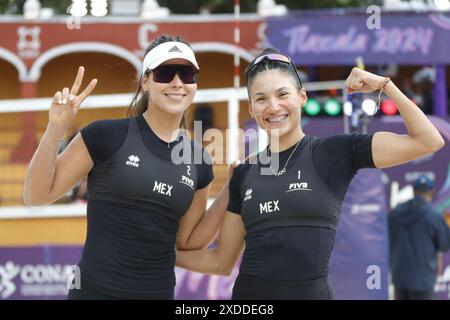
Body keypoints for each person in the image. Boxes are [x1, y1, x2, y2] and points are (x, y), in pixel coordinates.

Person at [176, 48, 445, 299]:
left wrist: (385, 85)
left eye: (283, 94)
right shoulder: (245, 172)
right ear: (252, 109)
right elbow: (221, 263)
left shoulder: (335, 152)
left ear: (302, 97)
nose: (273, 106)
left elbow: (428, 140)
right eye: (261, 99)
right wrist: (155, 253)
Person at [23, 35, 230, 299]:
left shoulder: (200, 161)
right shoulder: (105, 135)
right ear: (145, 81)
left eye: (187, 74)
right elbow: (36, 196)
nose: (177, 83)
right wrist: (55, 130)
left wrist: (231, 189)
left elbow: (187, 241)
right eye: (165, 73)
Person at [389, 175, 450, 300]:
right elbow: (443, 245)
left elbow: (388, 240)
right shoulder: (434, 216)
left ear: (413, 190)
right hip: (424, 280)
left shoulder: (395, 213)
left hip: (400, 278)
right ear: (431, 192)